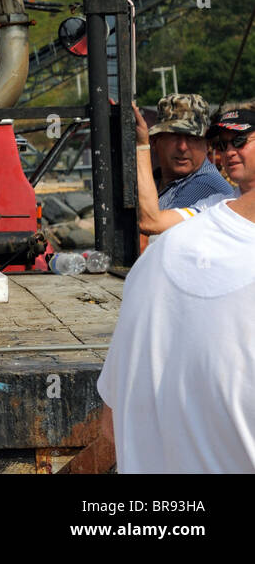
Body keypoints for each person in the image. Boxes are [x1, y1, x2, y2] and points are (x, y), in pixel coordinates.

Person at [97, 106, 255, 472]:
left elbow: (111, 426)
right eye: (223, 143)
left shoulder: (207, 189)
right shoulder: (216, 204)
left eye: (241, 141)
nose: (229, 151)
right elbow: (155, 221)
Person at [132, 93, 235, 236]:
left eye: (192, 138)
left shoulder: (206, 186)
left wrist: (141, 147)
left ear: (207, 145)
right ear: (155, 142)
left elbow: (150, 226)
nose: (182, 147)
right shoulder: (156, 179)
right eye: (174, 136)